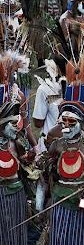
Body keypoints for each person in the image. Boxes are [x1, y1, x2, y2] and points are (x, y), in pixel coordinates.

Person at [39, 100, 84, 245]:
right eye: (64, 121)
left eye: (71, 121)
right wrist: (40, 204)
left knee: (80, 238)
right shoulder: (55, 145)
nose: (66, 125)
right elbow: (46, 176)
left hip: (83, 200)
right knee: (58, 238)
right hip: (59, 199)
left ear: (81, 123)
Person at [0, 100, 29, 245]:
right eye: (13, 124)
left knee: (17, 232)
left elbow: (27, 169)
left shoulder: (16, 144)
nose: (17, 128)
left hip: (17, 195)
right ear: (2, 125)